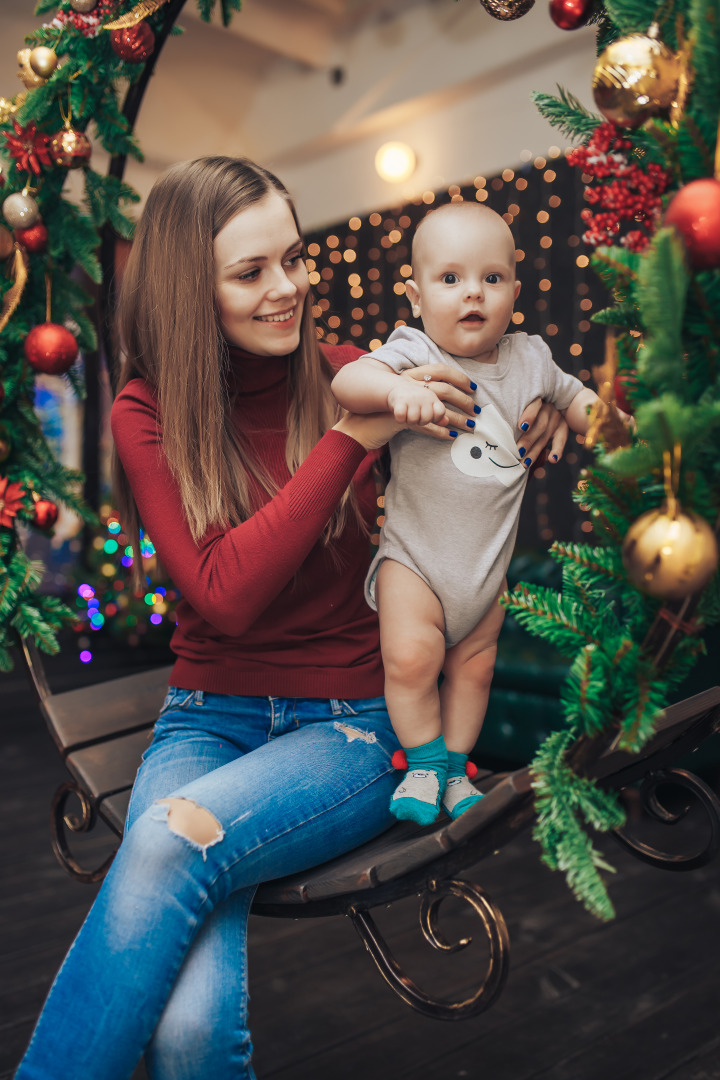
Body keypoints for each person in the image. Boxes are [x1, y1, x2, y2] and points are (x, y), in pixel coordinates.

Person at [15, 158, 568, 1080]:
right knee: (191, 1032)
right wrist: (352, 441)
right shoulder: (147, 412)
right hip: (204, 718)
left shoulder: (360, 372)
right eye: (250, 272)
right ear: (192, 291)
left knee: (164, 844)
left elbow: (490, 365)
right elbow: (224, 592)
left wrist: (540, 399)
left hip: (350, 725)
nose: (290, 289)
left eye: (295, 258)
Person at [332, 201, 602, 827]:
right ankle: (423, 762)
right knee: (409, 660)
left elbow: (578, 397)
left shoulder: (531, 357)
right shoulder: (413, 348)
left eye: (490, 278)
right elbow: (350, 381)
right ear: (417, 294)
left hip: (486, 572)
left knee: (475, 673)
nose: (472, 293)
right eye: (450, 279)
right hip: (416, 561)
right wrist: (398, 391)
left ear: (514, 287)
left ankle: (456, 771)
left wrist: (613, 431)